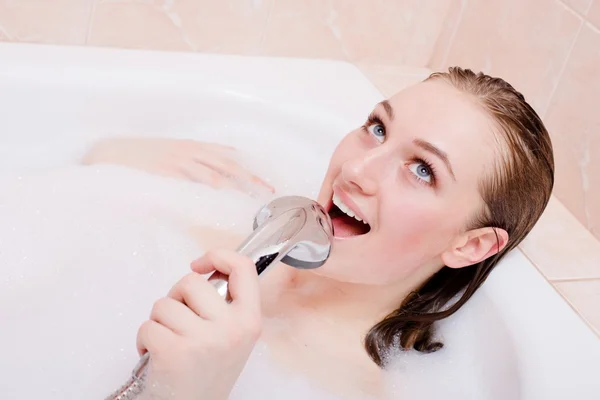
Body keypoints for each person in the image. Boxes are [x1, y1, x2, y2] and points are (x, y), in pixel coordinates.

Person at [82, 67, 554, 399]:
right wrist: (127, 151)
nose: (355, 168)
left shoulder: (341, 387)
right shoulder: (238, 208)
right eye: (377, 127)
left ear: (469, 245)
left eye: (423, 170)